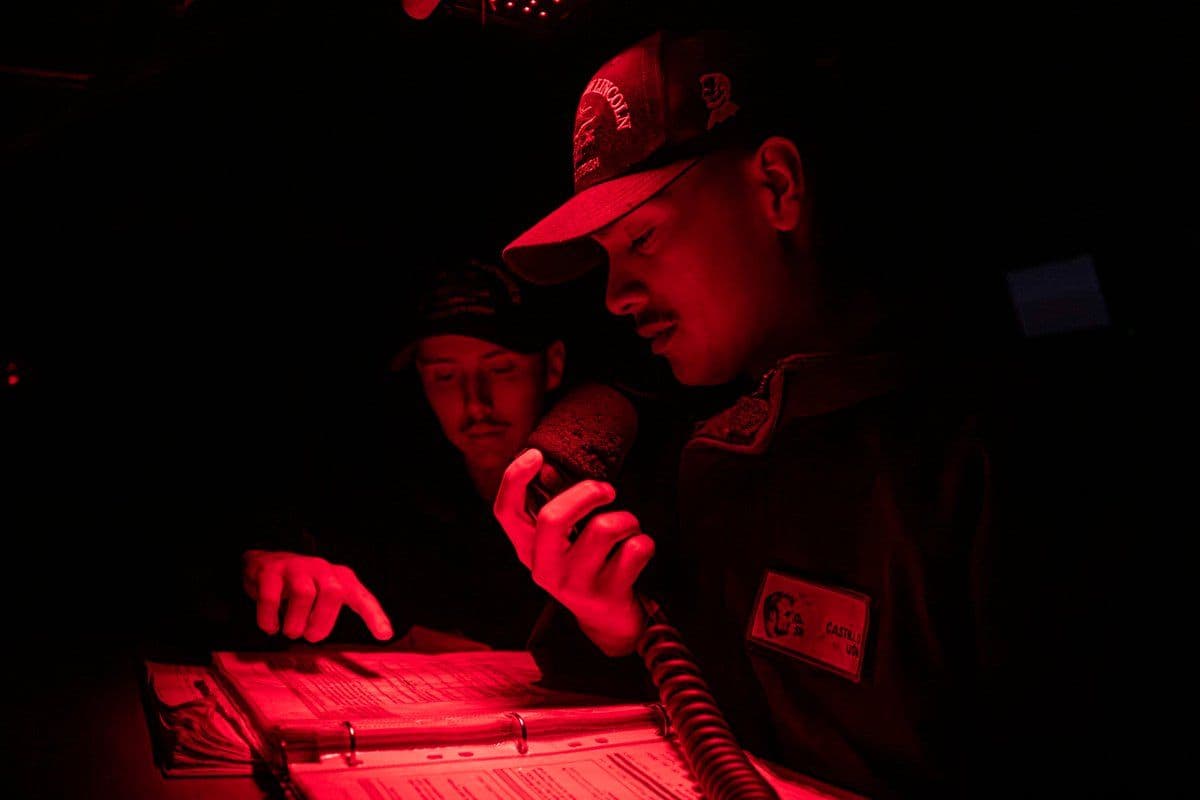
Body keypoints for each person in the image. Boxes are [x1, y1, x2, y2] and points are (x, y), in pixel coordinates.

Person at [490, 30, 1134, 798]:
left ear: (776, 187)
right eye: (607, 256)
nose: (614, 295)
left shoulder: (998, 449)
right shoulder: (704, 450)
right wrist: (609, 629)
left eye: (643, 237)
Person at [242, 259, 566, 649]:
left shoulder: (600, 487)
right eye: (445, 375)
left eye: (501, 370)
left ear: (553, 365)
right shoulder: (387, 488)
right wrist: (262, 563)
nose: (476, 404)